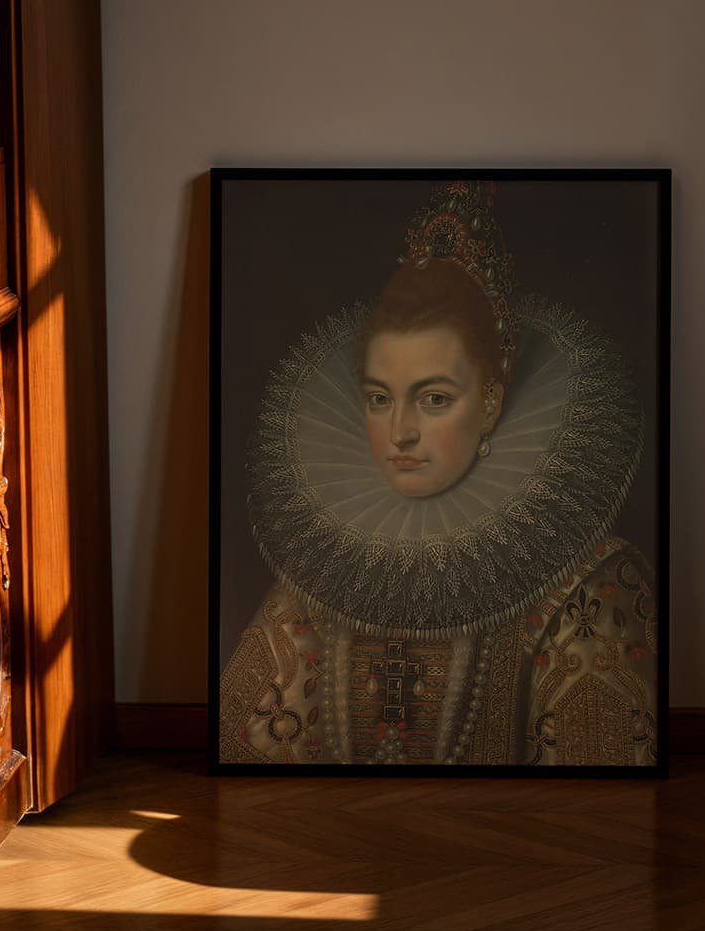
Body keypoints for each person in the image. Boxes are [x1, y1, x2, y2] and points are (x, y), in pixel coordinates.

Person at [218, 181, 657, 766]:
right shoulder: (318, 584)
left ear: (493, 403)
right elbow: (246, 756)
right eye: (379, 399)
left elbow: (588, 803)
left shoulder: (590, 584)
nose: (399, 432)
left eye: (433, 399)